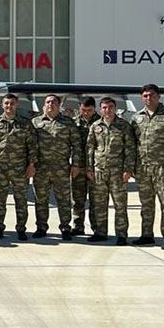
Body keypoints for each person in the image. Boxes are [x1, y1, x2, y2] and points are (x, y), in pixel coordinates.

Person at [130, 84, 164, 250]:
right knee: (146, 204)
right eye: (145, 95)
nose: (148, 98)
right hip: (143, 168)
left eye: (152, 95)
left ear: (158, 96)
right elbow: (132, 144)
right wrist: (131, 165)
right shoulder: (136, 118)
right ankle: (147, 235)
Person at [30, 94, 81, 240]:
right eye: (47, 102)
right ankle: (41, 227)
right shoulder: (35, 122)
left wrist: (76, 164)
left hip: (61, 168)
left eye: (53, 102)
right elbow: (30, 146)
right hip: (41, 169)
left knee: (64, 200)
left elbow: (76, 145)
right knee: (41, 200)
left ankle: (65, 227)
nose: (50, 104)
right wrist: (31, 164)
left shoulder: (68, 123)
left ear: (59, 105)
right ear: (43, 106)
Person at [86, 97, 136, 245]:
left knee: (120, 205)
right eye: (104, 108)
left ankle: (121, 234)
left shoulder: (123, 126)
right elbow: (90, 148)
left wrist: (128, 169)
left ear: (115, 108)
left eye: (110, 107)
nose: (107, 110)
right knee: (99, 204)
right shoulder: (95, 126)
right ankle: (100, 232)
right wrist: (89, 168)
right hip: (99, 171)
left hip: (118, 172)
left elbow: (130, 148)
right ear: (100, 109)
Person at [0, 93, 37, 241]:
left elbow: (32, 146)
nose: (9, 106)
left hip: (20, 169)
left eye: (12, 103)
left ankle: (21, 229)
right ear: (2, 105)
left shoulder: (25, 124)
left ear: (17, 105)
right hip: (0, 169)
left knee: (21, 201)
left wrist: (31, 165)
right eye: (7, 103)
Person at [71, 97, 100, 235]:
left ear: (94, 108)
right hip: (79, 167)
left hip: (96, 168)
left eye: (89, 110)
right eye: (83, 110)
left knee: (95, 200)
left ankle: (96, 228)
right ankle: (78, 226)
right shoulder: (74, 123)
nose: (86, 113)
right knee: (78, 199)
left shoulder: (101, 122)